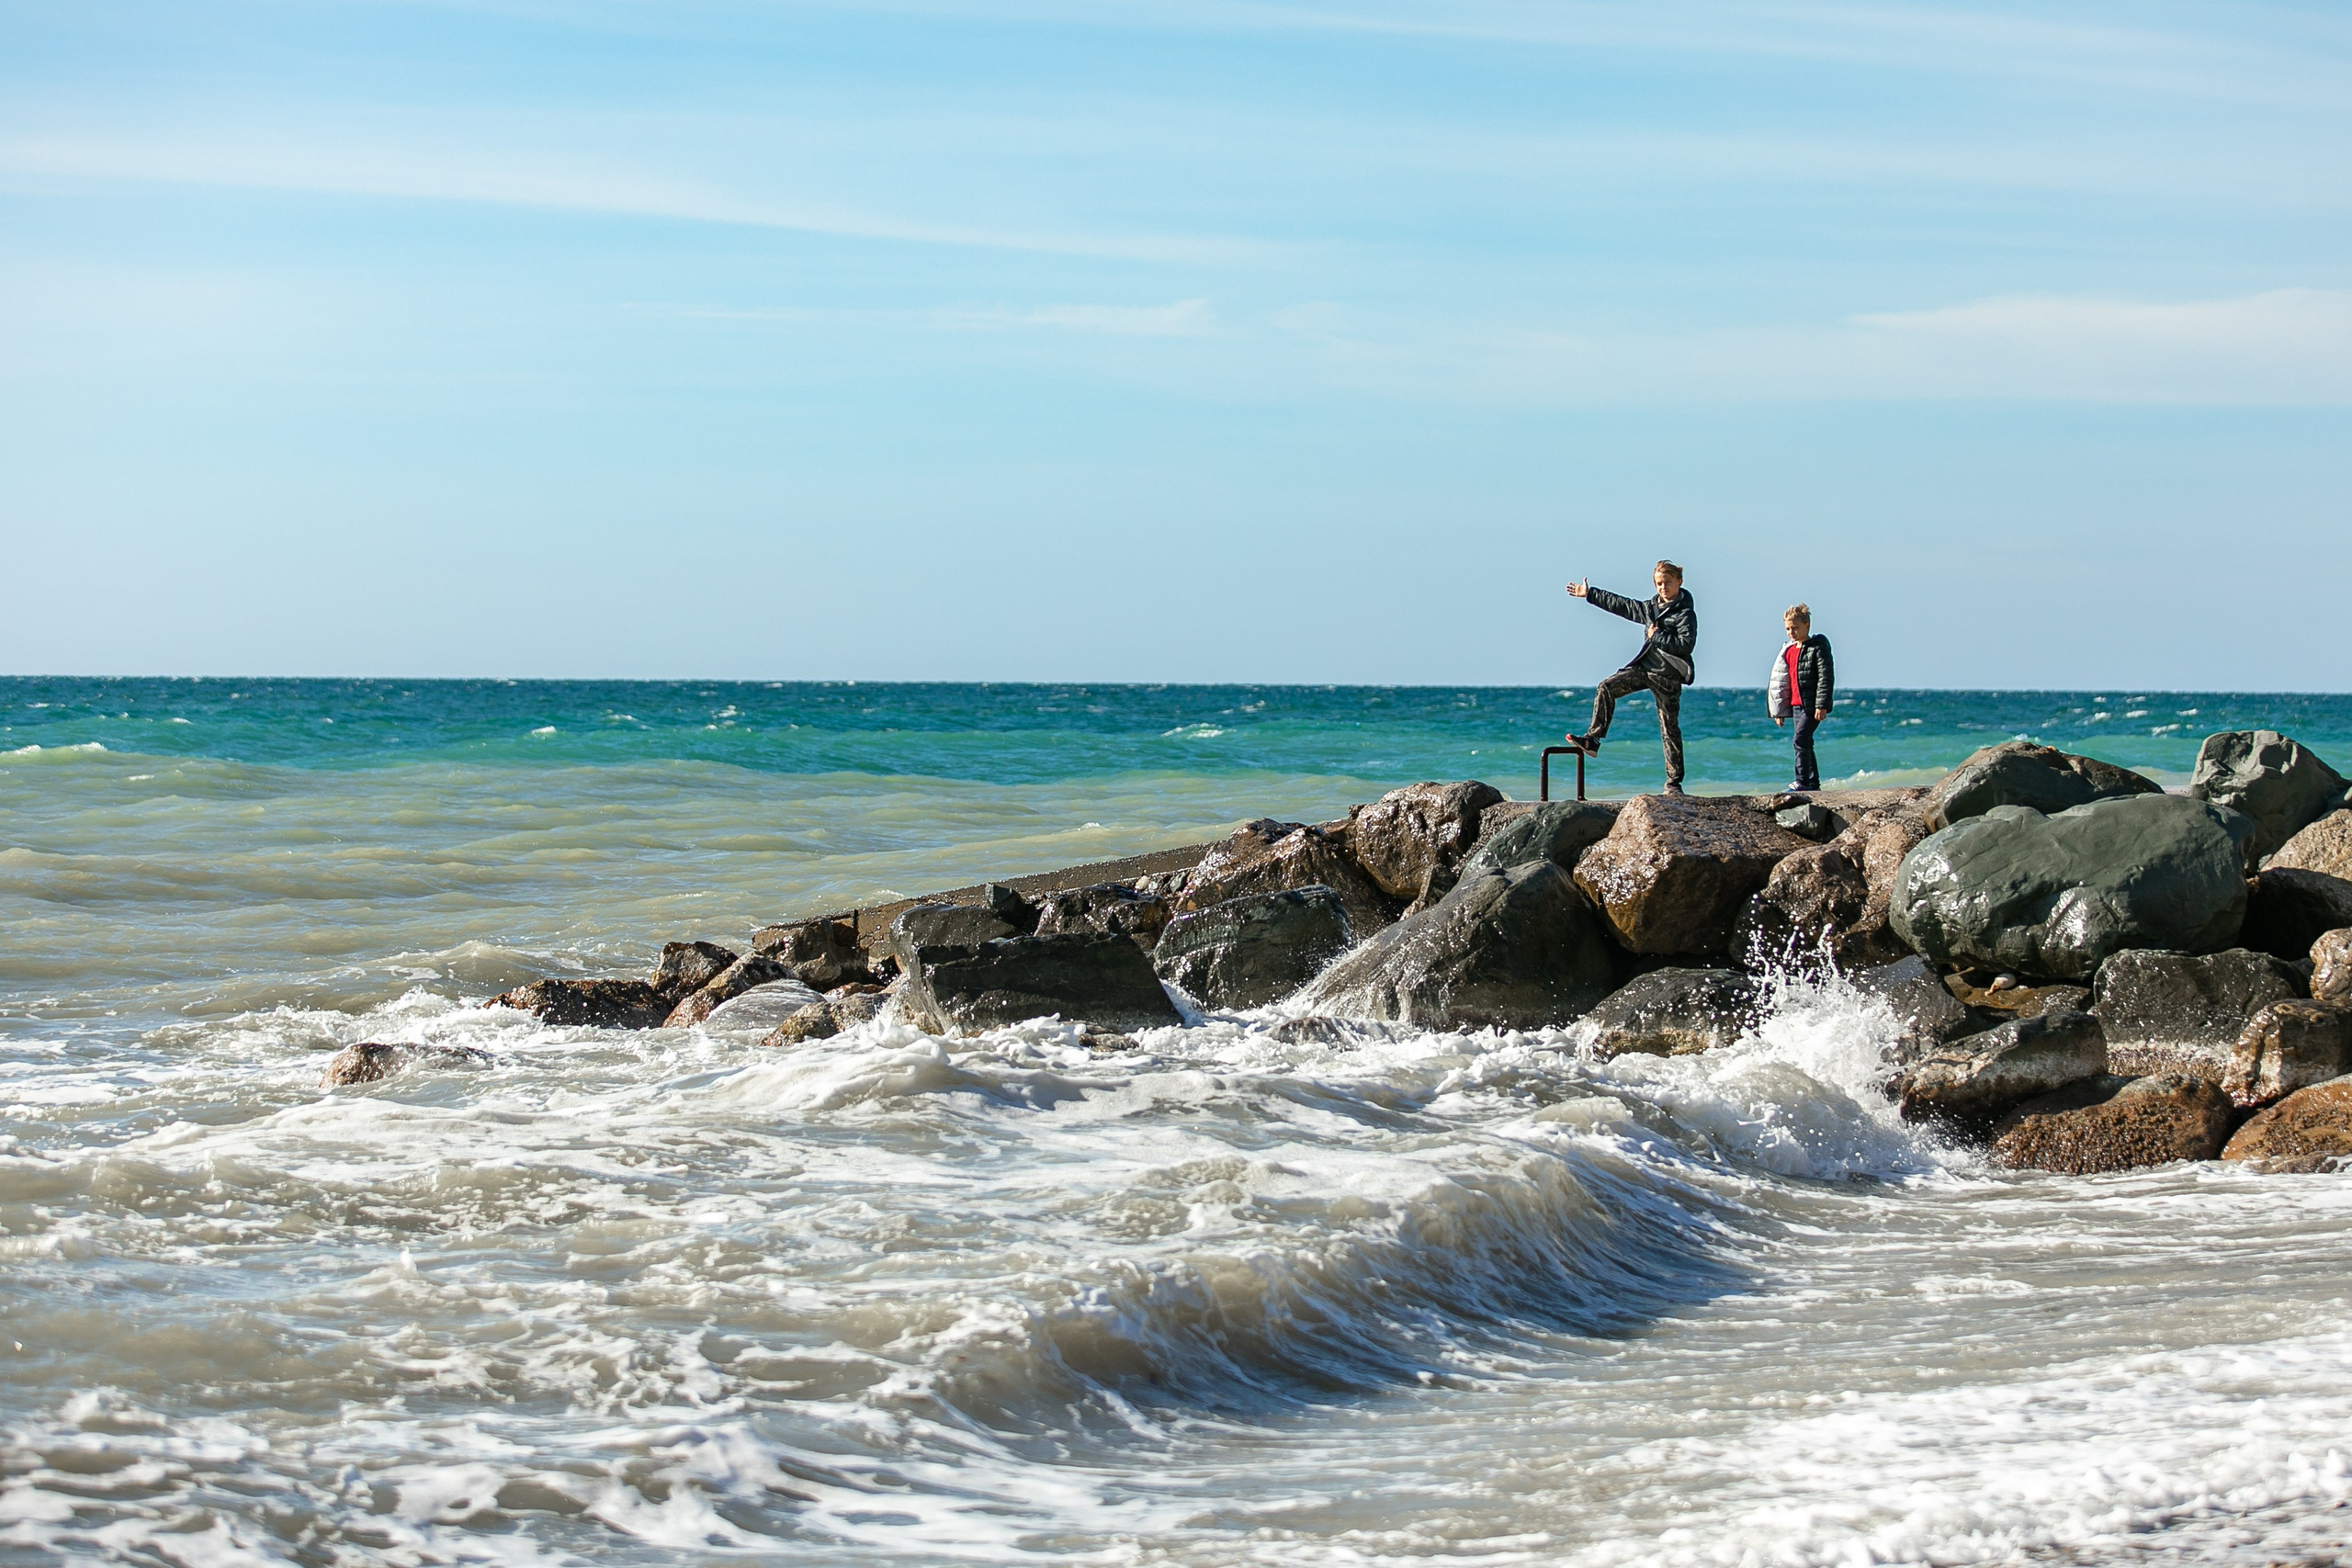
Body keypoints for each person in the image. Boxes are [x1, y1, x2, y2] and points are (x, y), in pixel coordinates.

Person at [1564, 560, 1698, 795]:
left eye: (1667, 582)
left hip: (1667, 676)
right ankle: (1593, 740)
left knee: (1669, 728)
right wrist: (1591, 594)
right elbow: (1623, 605)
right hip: (1644, 669)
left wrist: (1656, 636)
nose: (1663, 587)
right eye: (1658, 583)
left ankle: (1674, 783)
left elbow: (1685, 646)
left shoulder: (1686, 614)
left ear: (1679, 582)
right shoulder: (1651, 608)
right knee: (1606, 687)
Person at [1768, 603, 1835, 791]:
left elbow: (1825, 676)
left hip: (1812, 705)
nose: (1791, 632)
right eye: (1788, 629)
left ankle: (1802, 781)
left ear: (1807, 625)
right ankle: (1813, 784)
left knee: (1799, 739)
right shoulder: (1788, 651)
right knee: (1805, 741)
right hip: (1796, 705)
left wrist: (1821, 705)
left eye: (1795, 628)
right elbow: (1780, 682)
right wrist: (1778, 710)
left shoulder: (1817, 647)